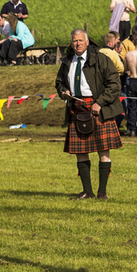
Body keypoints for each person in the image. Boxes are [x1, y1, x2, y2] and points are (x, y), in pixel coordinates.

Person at [55, 29, 124, 200]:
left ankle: (102, 192)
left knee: (103, 151)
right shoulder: (68, 61)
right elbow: (59, 82)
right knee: (80, 152)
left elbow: (114, 84)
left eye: (80, 40)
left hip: (97, 108)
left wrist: (100, 102)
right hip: (77, 109)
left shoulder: (100, 59)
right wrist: (63, 92)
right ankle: (87, 191)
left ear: (87, 42)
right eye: (74, 41)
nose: (77, 44)